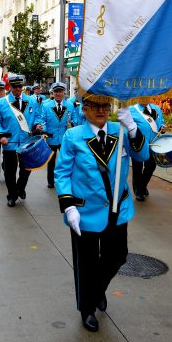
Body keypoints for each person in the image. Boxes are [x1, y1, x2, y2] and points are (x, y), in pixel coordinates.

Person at [54, 96, 149, 332]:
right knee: (86, 263)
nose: (101, 111)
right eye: (95, 106)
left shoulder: (121, 131)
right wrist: (69, 206)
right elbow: (62, 173)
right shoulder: (73, 136)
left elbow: (142, 156)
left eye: (105, 106)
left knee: (117, 256)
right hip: (85, 211)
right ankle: (87, 309)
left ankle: (97, 290)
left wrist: (134, 128)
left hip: (118, 209)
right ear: (84, 109)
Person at [0, 75, 43, 207]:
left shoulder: (31, 101)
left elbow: (37, 116)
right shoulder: (3, 102)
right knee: (10, 171)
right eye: (15, 87)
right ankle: (12, 195)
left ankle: (21, 188)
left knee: (26, 169)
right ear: (10, 87)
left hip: (27, 142)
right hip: (10, 142)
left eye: (20, 86)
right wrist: (1, 136)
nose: (17, 89)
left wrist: (37, 124)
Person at [39, 82, 77, 188]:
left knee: (65, 160)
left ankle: (64, 180)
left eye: (60, 91)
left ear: (64, 92)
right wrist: (44, 131)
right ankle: (50, 181)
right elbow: (43, 120)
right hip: (51, 137)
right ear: (52, 93)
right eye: (56, 91)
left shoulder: (69, 105)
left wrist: (72, 123)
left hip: (65, 138)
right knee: (51, 161)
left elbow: (74, 118)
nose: (58, 94)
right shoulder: (46, 106)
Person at [129, 100, 168, 201]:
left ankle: (142, 186)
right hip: (139, 144)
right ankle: (138, 191)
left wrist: (163, 128)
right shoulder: (131, 110)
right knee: (137, 168)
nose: (145, 97)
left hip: (154, 144)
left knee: (151, 166)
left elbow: (160, 123)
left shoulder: (157, 109)